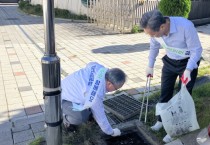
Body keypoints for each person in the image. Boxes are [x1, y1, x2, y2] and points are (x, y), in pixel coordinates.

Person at [140, 10, 202, 143]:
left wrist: (188, 69)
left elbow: (196, 50)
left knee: (183, 97)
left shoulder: (185, 26)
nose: (152, 37)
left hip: (187, 62)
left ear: (162, 27)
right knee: (165, 92)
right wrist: (150, 65)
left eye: (153, 34)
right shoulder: (156, 32)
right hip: (170, 61)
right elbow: (154, 47)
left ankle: (176, 128)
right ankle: (161, 121)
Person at [61, 62, 127, 137]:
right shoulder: (96, 94)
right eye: (115, 88)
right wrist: (111, 132)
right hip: (59, 100)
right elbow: (100, 116)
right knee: (81, 117)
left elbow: (90, 64)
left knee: (89, 106)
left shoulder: (99, 68)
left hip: (63, 89)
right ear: (109, 83)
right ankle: (64, 120)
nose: (114, 90)